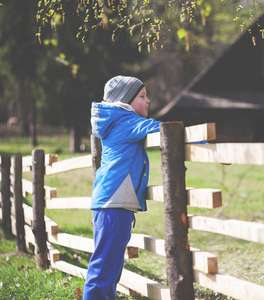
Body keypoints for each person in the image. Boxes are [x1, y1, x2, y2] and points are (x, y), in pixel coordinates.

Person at [84, 75, 161, 299]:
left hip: (111, 203)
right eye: (142, 96)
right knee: (103, 271)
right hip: (114, 204)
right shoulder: (127, 121)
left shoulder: (119, 121)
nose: (148, 101)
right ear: (125, 101)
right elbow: (161, 128)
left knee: (110, 269)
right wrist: (204, 140)